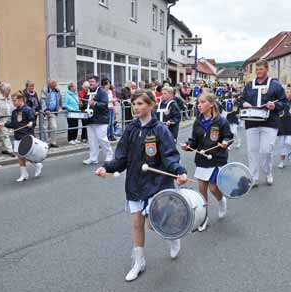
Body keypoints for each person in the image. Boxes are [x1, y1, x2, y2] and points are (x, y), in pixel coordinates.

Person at [95, 90, 188, 282]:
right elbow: (121, 157)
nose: (136, 107)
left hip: (157, 183)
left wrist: (179, 170)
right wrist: (106, 167)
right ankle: (139, 262)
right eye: (134, 104)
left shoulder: (160, 129)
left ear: (151, 105)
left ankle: (172, 237)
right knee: (137, 224)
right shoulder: (130, 129)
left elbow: (170, 156)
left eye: (140, 104)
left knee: (154, 224)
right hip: (135, 183)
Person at [181, 93, 233, 231]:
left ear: (211, 104)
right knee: (202, 190)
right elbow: (194, 140)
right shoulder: (197, 122)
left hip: (216, 158)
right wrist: (188, 145)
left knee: (213, 188)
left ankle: (221, 200)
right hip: (202, 159)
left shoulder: (221, 121)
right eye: (198, 102)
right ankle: (204, 218)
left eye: (203, 102)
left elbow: (229, 136)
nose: (199, 104)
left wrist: (225, 142)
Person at [239, 59, 286, 186]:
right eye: (257, 69)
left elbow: (283, 102)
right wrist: (244, 103)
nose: (258, 72)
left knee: (266, 150)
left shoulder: (275, 85)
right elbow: (241, 99)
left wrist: (274, 106)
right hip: (251, 122)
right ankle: (253, 177)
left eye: (261, 69)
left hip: (270, 122)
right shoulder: (249, 85)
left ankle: (268, 172)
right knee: (252, 150)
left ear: (266, 69)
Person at [0, 91, 42, 182]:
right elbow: (13, 124)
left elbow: (33, 121)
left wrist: (31, 123)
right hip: (17, 136)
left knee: (26, 155)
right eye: (12, 101)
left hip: (26, 136)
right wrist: (4, 124)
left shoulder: (28, 109)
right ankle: (24, 174)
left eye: (14, 101)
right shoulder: (14, 112)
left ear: (21, 100)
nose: (13, 103)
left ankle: (37, 165)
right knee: (20, 156)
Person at [82, 76, 114, 165]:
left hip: (101, 119)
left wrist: (95, 103)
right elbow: (85, 104)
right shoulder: (87, 92)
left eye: (92, 81)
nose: (91, 83)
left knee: (102, 138)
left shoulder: (102, 91)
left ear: (97, 82)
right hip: (90, 119)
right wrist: (81, 104)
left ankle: (109, 155)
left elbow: (105, 104)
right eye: (89, 81)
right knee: (92, 139)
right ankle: (93, 158)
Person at [0, 82, 15, 156]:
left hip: (10, 119)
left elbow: (14, 106)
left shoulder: (10, 97)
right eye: (8, 89)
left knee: (10, 134)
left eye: (10, 89)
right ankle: (11, 150)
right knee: (5, 134)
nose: (10, 90)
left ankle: (4, 149)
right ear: (3, 90)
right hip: (1, 119)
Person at [41, 79, 62, 148]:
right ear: (50, 84)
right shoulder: (45, 90)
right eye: (54, 84)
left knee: (54, 126)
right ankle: (46, 143)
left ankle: (53, 142)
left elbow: (60, 98)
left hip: (53, 111)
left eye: (55, 84)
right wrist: (45, 109)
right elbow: (42, 100)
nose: (55, 85)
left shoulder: (57, 90)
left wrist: (60, 107)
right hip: (46, 111)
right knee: (45, 128)